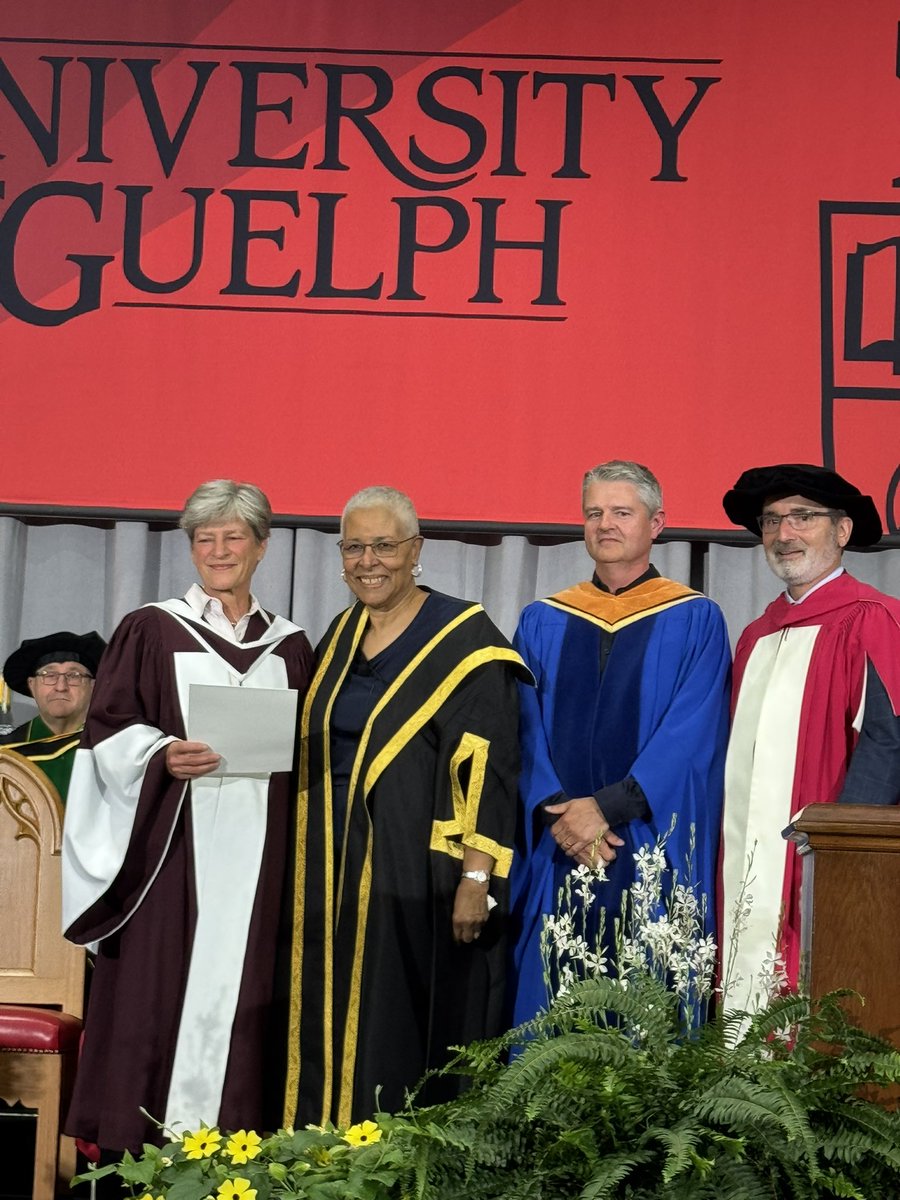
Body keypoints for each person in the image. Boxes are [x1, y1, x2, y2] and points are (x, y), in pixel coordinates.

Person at [61, 480, 314, 1155]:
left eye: (234, 537)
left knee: (248, 1004)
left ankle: (233, 1153)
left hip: (262, 863)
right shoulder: (151, 628)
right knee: (155, 996)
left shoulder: (289, 647)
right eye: (205, 538)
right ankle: (135, 1156)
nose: (219, 550)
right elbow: (107, 733)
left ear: (262, 546)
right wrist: (163, 753)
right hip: (171, 857)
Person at [283, 485, 530, 1129]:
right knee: (321, 1017)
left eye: (385, 546)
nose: (369, 560)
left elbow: (489, 771)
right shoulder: (339, 634)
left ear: (415, 550)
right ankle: (315, 1158)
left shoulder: (465, 638)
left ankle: (389, 1168)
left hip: (414, 877)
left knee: (394, 1023)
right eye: (355, 547)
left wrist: (476, 880)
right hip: (327, 868)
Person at [509, 460, 732, 1025]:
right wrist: (562, 815)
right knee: (550, 1002)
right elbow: (521, 727)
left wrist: (604, 810)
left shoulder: (696, 619)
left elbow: (692, 733)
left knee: (645, 1000)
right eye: (594, 512)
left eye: (621, 512)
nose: (605, 524)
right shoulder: (542, 620)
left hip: (644, 837)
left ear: (656, 524)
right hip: (558, 843)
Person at [720, 463, 900, 1002]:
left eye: (802, 517)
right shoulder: (756, 635)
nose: (783, 534)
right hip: (745, 857)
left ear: (842, 532)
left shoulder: (873, 618)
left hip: (827, 856)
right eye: (772, 521)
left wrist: (841, 852)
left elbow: (888, 743)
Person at [0, 630, 106, 800]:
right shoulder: (5, 754)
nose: (61, 686)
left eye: (74, 675)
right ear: (32, 685)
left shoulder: (110, 751)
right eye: (49, 675)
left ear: (93, 686)